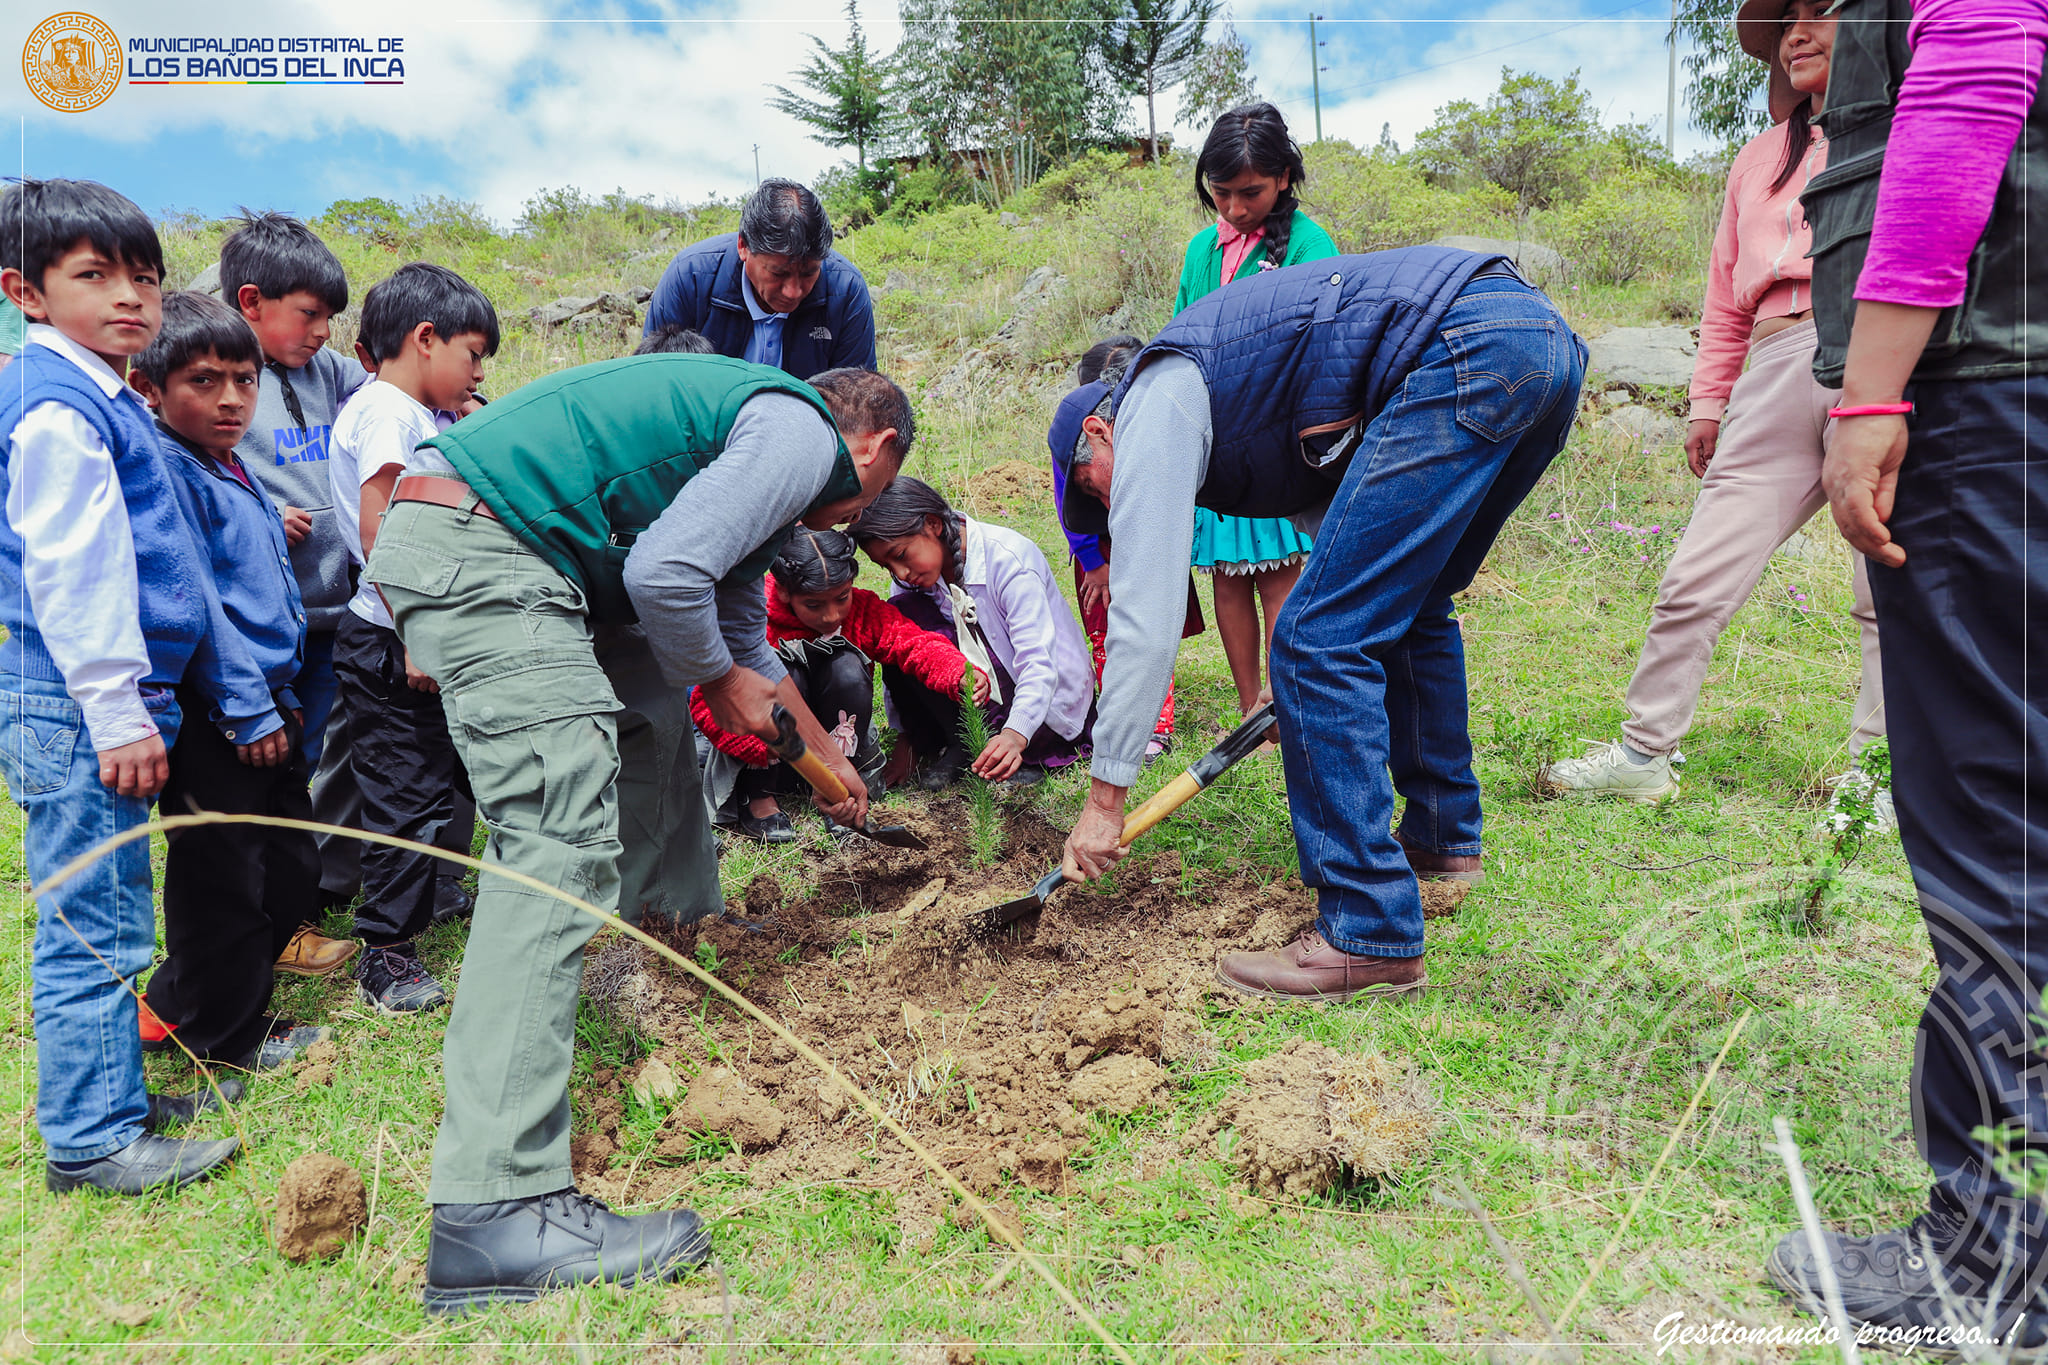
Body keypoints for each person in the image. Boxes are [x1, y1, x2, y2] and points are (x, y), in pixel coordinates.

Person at [366, 355, 911, 1312]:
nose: (853, 517)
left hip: (518, 545)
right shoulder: (798, 432)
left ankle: (667, 947)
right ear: (875, 448)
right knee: (557, 834)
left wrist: (825, 762)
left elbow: (737, 645)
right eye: (872, 492)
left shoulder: (753, 474)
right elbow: (667, 579)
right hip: (492, 545)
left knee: (655, 717)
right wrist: (731, 679)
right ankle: (496, 1204)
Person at [1052, 250, 1585, 1001]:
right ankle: (1438, 837)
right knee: (1410, 601)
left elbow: (1147, 615)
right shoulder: (1238, 401)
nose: (1108, 506)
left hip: (1465, 344)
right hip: (1535, 344)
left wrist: (1105, 801)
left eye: (1091, 489)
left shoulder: (1155, 397)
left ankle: (1367, 931)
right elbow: (1343, 536)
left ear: (1100, 434)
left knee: (1313, 637)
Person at [1768, 0, 2048, 1345]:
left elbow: (1976, 83)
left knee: (1997, 828)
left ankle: (2001, 1261)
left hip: (1987, 396)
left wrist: (1872, 393)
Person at [1544, 1, 1889, 821]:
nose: (1798, 32)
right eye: (1787, 22)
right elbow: (1723, 295)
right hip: (1771, 367)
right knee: (1696, 575)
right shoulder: (1758, 158)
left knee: (1884, 583)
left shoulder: (1902, 131)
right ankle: (1643, 754)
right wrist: (1708, 401)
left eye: (1822, 12)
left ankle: (1873, 779)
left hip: (1872, 353)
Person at [0, 179, 240, 1194]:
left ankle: (111, 1094)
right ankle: (93, 1141)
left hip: (83, 695)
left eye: (143, 275)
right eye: (93, 276)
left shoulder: (97, 389)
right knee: (93, 917)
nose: (130, 298)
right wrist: (115, 706)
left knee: (110, 901)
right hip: (72, 694)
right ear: (25, 290)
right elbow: (75, 568)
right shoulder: (58, 409)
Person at [130, 291, 338, 1071]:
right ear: (151, 388)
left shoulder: (222, 464)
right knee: (221, 869)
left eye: (245, 380)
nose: (231, 400)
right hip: (220, 705)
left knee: (278, 854)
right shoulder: (167, 469)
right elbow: (198, 605)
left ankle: (180, 999)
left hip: (263, 692)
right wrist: (247, 711)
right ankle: (227, 1032)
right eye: (205, 381)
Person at [329, 264, 497, 1016]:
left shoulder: (421, 414)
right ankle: (384, 952)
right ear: (424, 339)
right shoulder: (389, 413)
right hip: (392, 637)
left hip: (419, 629)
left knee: (446, 774)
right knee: (400, 795)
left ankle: (437, 892)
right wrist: (417, 632)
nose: (479, 371)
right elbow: (381, 530)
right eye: (473, 353)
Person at [217, 212, 383, 970]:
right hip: (254, 628)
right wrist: (256, 515)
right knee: (262, 771)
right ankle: (258, 923)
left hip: (327, 612)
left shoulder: (327, 374)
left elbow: (381, 399)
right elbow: (190, 472)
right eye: (308, 314)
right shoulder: (214, 373)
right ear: (251, 301)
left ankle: (293, 910)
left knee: (306, 761)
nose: (321, 332)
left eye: (329, 317)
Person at [1176, 104, 1338, 716]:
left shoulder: (1311, 245)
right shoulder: (1201, 250)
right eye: (1222, 194)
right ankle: (1251, 710)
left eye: (1251, 193)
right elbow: (1183, 331)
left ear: (1284, 181)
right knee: (1227, 574)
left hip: (1273, 440)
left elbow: (1320, 344)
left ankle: (1284, 704)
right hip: (1216, 439)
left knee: (1277, 575)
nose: (1236, 209)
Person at [692, 527, 984, 840]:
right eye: (814, 605)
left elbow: (911, 642)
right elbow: (706, 702)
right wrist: (762, 746)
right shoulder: (752, 619)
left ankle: (840, 793)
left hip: (840, 754)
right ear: (784, 592)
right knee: (779, 675)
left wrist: (958, 672)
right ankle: (759, 796)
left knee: (846, 667)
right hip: (771, 755)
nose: (831, 616)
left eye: (841, 598)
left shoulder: (862, 611)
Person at [854, 477, 1094, 786]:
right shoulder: (911, 578)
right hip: (985, 690)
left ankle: (1021, 746)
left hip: (1044, 698)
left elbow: (1038, 662)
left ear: (933, 525)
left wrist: (1014, 734)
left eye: (900, 556)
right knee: (898, 626)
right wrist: (907, 737)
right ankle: (958, 741)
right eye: (887, 566)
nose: (900, 573)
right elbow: (900, 650)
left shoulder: (1010, 560)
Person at [1047, 335, 1176, 763]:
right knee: (1106, 634)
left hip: (1141, 544)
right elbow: (1068, 503)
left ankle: (1157, 725)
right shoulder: (1073, 440)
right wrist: (1093, 563)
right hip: (1099, 555)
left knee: (1150, 628)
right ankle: (1117, 717)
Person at [642, 179, 876, 378]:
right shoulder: (690, 277)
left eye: (808, 273)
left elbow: (854, 405)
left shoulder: (846, 290)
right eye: (778, 273)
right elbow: (655, 382)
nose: (793, 291)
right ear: (743, 246)